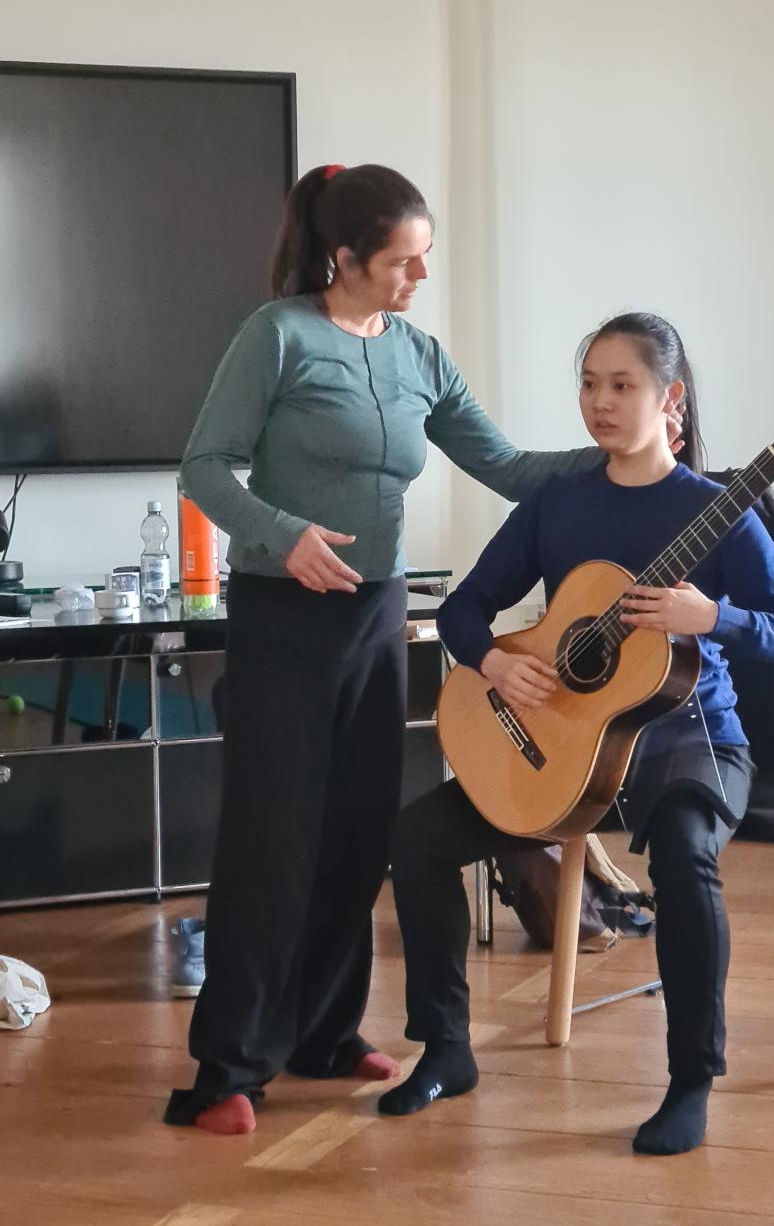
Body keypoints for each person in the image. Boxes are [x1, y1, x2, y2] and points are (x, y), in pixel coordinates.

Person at [163, 163, 648, 1135]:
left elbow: (507, 467)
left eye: (425, 259)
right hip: (281, 621)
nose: (419, 277)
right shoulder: (278, 337)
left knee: (355, 834)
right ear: (344, 258)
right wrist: (279, 535)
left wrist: (621, 454)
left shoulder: (417, 353)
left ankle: (324, 1034)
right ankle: (229, 1067)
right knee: (272, 842)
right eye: (403, 262)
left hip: (379, 619)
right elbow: (204, 466)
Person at [380, 312, 774, 1156]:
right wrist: (495, 665)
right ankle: (445, 1048)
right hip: (564, 751)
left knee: (687, 854)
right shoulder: (560, 503)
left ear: (671, 400)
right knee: (419, 835)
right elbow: (466, 607)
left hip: (693, 740)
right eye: (590, 383)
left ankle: (691, 1079)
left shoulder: (714, 510)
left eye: (622, 385)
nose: (600, 402)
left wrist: (713, 614)